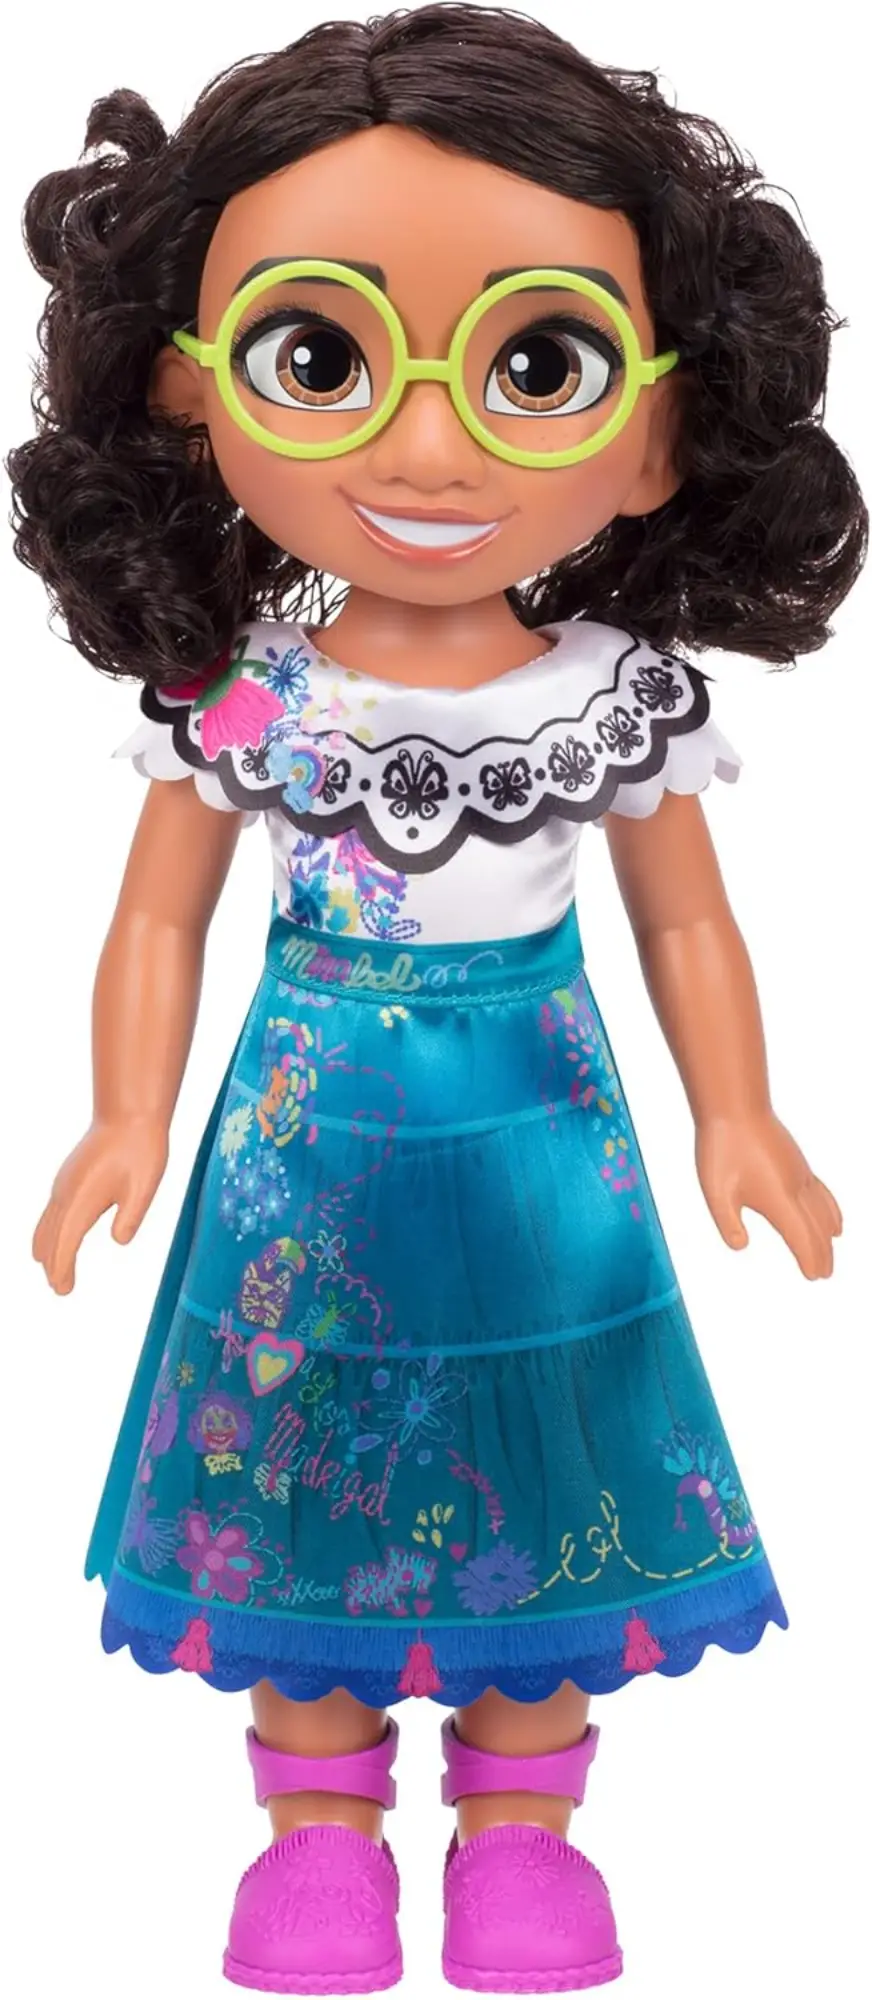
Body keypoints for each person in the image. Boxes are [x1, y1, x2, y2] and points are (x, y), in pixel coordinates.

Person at [10, 9, 865, 1993]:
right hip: (301, 1153)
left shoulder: (606, 698)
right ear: (185, 389)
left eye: (535, 367)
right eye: (318, 359)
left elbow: (685, 927)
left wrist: (740, 1111)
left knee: (554, 1447)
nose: (423, 448)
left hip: (545, 1143)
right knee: (290, 1449)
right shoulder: (248, 695)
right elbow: (158, 922)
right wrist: (125, 1116)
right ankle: (316, 1836)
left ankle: (519, 1830)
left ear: (657, 425)